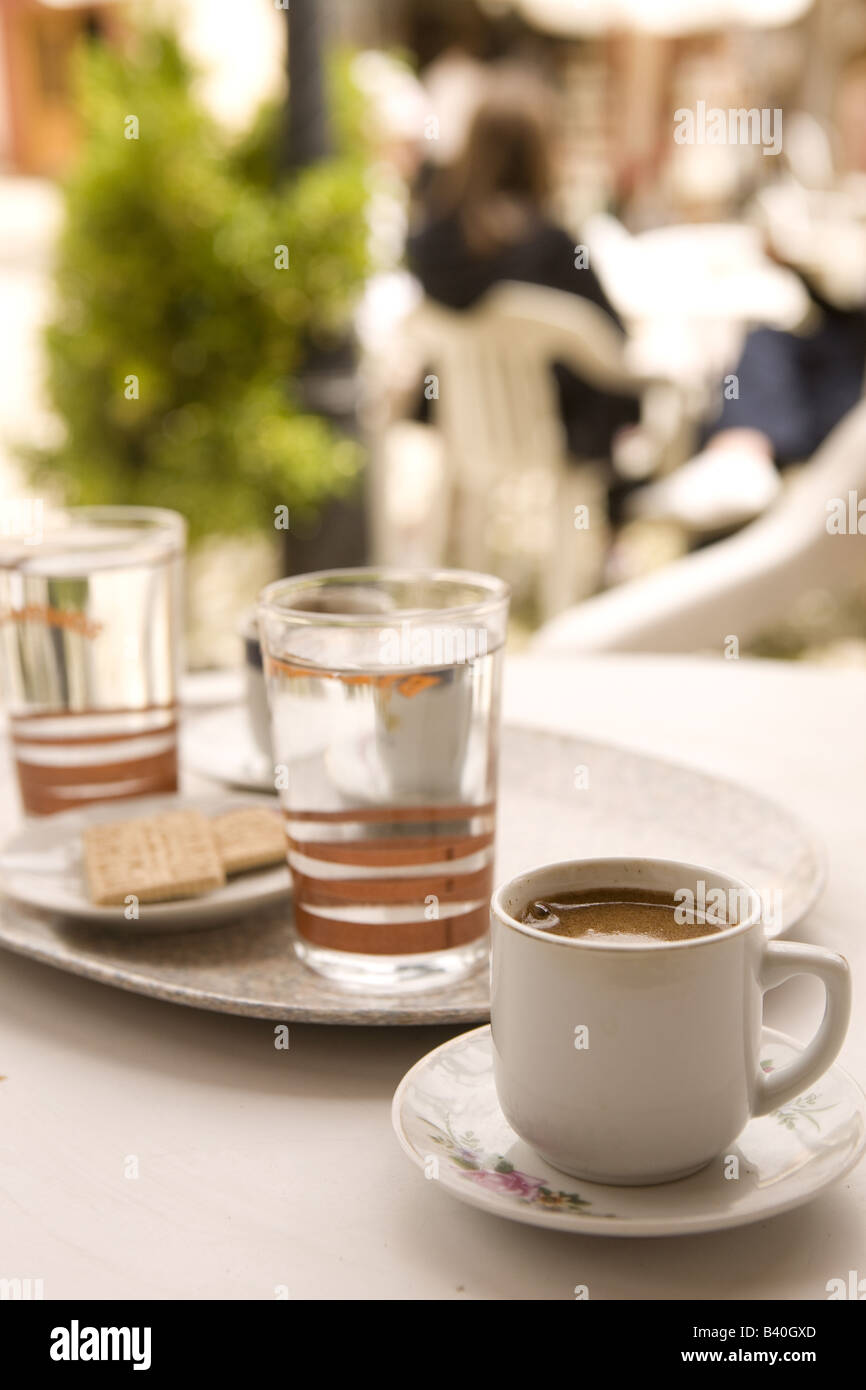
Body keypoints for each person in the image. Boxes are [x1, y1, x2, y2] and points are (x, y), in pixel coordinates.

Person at [407, 68, 640, 476]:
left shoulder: (432, 242)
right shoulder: (554, 246)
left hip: (458, 430)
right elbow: (615, 346)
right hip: (553, 442)